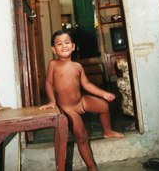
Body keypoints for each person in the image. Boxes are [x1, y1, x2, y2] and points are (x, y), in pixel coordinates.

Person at [39, 29, 124, 171]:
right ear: (54, 49)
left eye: (67, 42)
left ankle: (107, 131)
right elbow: (48, 83)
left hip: (81, 101)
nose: (64, 45)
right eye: (59, 44)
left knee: (103, 106)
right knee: (82, 136)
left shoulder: (78, 66)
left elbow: (87, 84)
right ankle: (91, 166)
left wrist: (103, 94)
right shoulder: (53, 64)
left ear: (73, 46)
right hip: (68, 108)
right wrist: (52, 101)